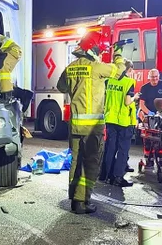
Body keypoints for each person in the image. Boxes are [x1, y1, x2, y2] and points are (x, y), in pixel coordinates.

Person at [56, 31, 127, 214]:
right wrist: (118, 53)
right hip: (92, 126)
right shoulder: (96, 67)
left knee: (76, 161)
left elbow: (61, 86)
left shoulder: (71, 67)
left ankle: (74, 197)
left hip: (75, 125)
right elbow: (119, 71)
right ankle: (82, 201)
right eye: (100, 50)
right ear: (94, 49)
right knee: (90, 163)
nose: (101, 54)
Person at [100, 63, 137, 187]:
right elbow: (127, 102)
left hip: (110, 118)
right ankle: (118, 178)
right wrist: (135, 97)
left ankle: (105, 175)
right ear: (129, 69)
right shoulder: (129, 82)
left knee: (110, 148)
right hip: (123, 121)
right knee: (122, 150)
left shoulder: (108, 81)